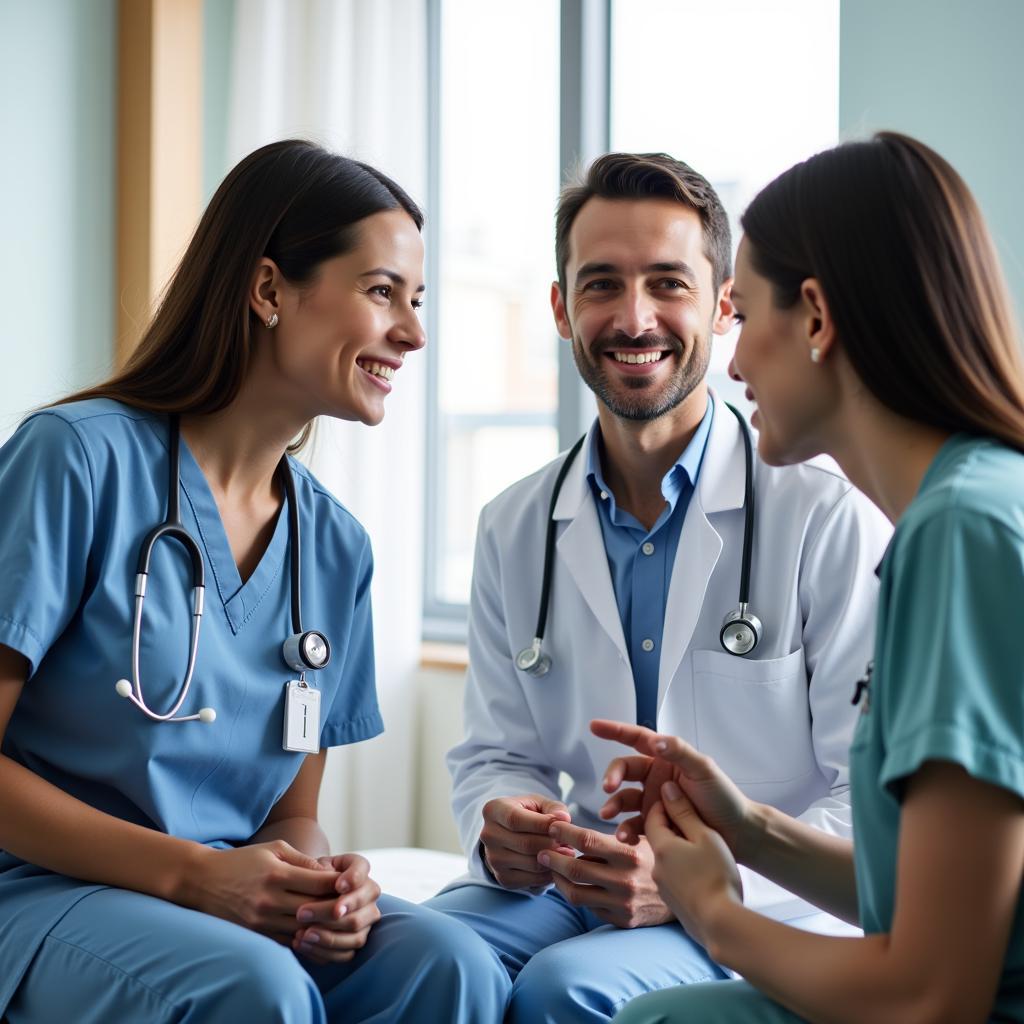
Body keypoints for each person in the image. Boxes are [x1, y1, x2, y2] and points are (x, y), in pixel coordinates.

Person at [0, 139, 508, 1024]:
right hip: (45, 888)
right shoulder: (76, 460)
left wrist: (325, 880)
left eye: (416, 301)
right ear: (270, 289)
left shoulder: (335, 547)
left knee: (450, 962)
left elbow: (288, 819)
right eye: (382, 292)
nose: (414, 333)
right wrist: (196, 875)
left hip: (222, 900)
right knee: (256, 989)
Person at [426, 152, 891, 1022]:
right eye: (601, 285)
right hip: (575, 877)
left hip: (759, 897)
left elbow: (864, 803)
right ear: (563, 310)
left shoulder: (826, 516)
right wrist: (503, 823)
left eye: (667, 283)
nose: (633, 317)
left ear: (722, 305)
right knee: (420, 954)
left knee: (568, 991)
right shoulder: (514, 523)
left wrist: (697, 880)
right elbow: (497, 750)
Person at [601, 131, 1024, 1023]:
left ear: (819, 319)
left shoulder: (961, 532)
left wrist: (712, 913)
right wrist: (746, 830)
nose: (740, 361)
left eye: (746, 317)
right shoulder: (968, 509)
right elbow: (924, 890)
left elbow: (932, 993)